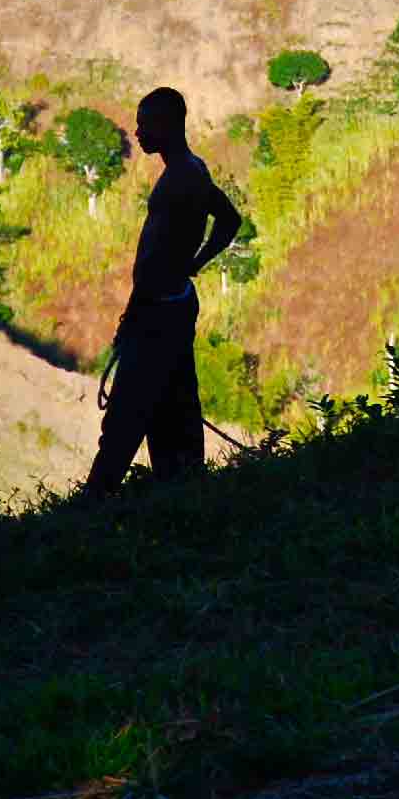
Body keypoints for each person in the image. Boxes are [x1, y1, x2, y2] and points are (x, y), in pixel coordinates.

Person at [80, 86, 243, 499]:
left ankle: (91, 506)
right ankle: (180, 494)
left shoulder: (182, 178)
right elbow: (228, 219)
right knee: (174, 409)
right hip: (172, 305)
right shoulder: (193, 170)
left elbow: (224, 223)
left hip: (158, 313)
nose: (137, 132)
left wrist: (135, 314)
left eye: (145, 123)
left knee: (126, 418)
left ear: (167, 125)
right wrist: (195, 264)